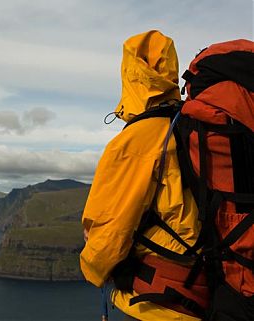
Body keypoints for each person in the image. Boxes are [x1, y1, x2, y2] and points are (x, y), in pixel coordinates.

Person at [80, 30, 207, 321]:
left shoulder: (136, 140)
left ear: (128, 74)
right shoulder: (194, 126)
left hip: (161, 300)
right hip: (210, 286)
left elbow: (110, 232)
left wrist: (93, 268)